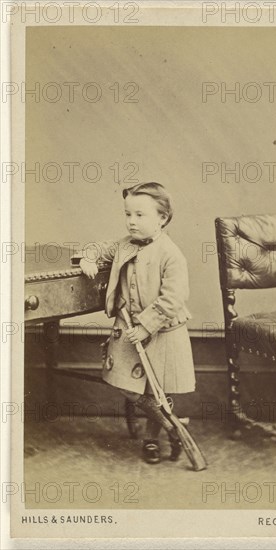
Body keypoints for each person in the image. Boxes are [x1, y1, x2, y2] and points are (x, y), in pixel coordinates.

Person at [78, 182, 196, 464]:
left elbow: (174, 298)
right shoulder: (123, 245)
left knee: (159, 389)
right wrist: (88, 257)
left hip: (162, 331)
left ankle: (152, 440)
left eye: (139, 215)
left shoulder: (170, 254)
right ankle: (173, 427)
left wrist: (146, 325)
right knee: (127, 386)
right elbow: (98, 247)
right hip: (126, 330)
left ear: (162, 218)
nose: (131, 221)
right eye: (128, 214)